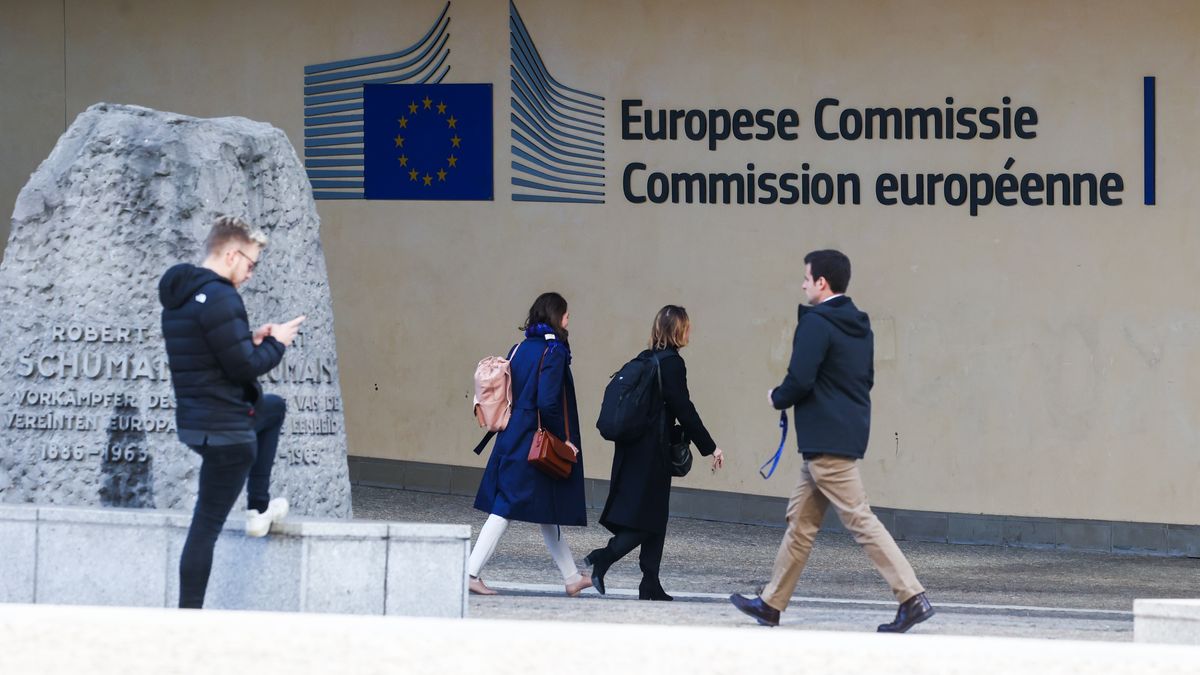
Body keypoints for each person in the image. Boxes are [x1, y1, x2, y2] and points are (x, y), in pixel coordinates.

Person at [730, 249, 934, 632]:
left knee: (860, 519)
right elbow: (863, 380)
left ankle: (912, 596)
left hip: (825, 440)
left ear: (822, 282)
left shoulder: (817, 323)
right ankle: (771, 604)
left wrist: (778, 396)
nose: (802, 284)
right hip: (843, 433)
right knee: (800, 522)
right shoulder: (858, 324)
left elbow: (801, 377)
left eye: (806, 278)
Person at [159, 215, 305, 609]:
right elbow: (244, 367)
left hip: (199, 424)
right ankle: (189, 617)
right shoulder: (222, 296)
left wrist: (252, 336)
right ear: (230, 253)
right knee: (205, 526)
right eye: (251, 264)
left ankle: (258, 507)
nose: (250, 273)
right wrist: (278, 343)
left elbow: (217, 352)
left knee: (272, 407)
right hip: (227, 431)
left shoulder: (181, 296)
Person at [586, 305, 725, 601]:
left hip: (633, 450)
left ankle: (650, 582)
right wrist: (710, 447)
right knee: (647, 520)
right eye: (687, 327)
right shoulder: (672, 364)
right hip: (651, 454)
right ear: (679, 331)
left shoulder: (646, 359)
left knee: (654, 516)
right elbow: (683, 409)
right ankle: (604, 557)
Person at [469, 292, 592, 597]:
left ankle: (572, 577)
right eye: (566, 315)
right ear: (555, 316)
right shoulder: (555, 351)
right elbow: (548, 402)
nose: (568, 320)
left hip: (513, 434)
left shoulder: (519, 347)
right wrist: (564, 439)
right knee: (506, 505)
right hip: (533, 438)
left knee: (544, 507)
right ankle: (470, 572)